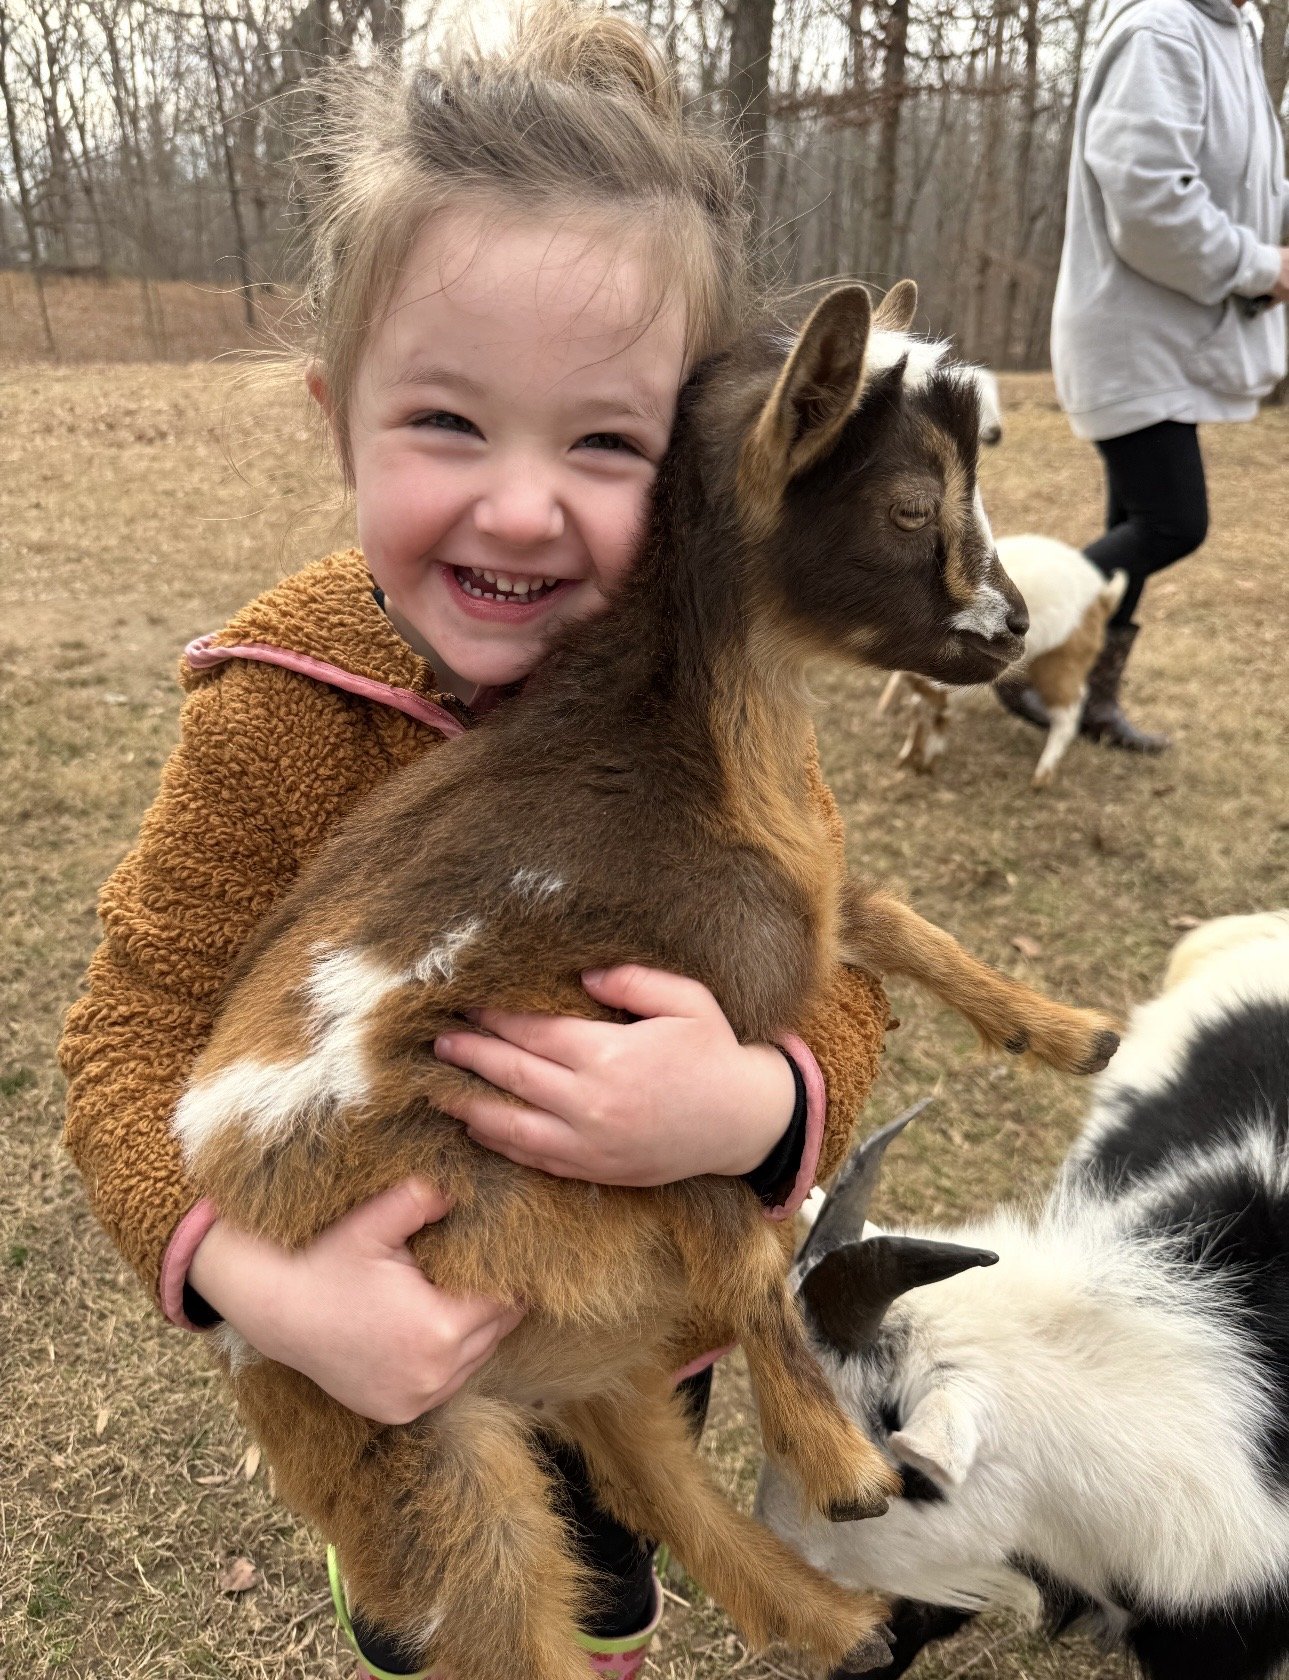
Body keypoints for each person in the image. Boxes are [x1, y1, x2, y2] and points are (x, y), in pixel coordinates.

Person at [56, 7, 889, 1677]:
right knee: (468, 1615)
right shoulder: (278, 714)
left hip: (630, 1308)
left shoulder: (719, 710)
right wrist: (260, 1292)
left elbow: (833, 976)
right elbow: (123, 1040)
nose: (522, 508)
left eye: (604, 444)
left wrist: (750, 1101)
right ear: (335, 416)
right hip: (388, 1357)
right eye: (447, 425)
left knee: (608, 1587)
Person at [1021, 0, 1289, 751]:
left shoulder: (1234, 32)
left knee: (1130, 525)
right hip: (1131, 336)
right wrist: (1262, 267)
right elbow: (1148, 205)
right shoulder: (1161, 30)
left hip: (1170, 338)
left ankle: (1083, 698)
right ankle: (1017, 643)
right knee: (1172, 522)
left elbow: (1247, 187)